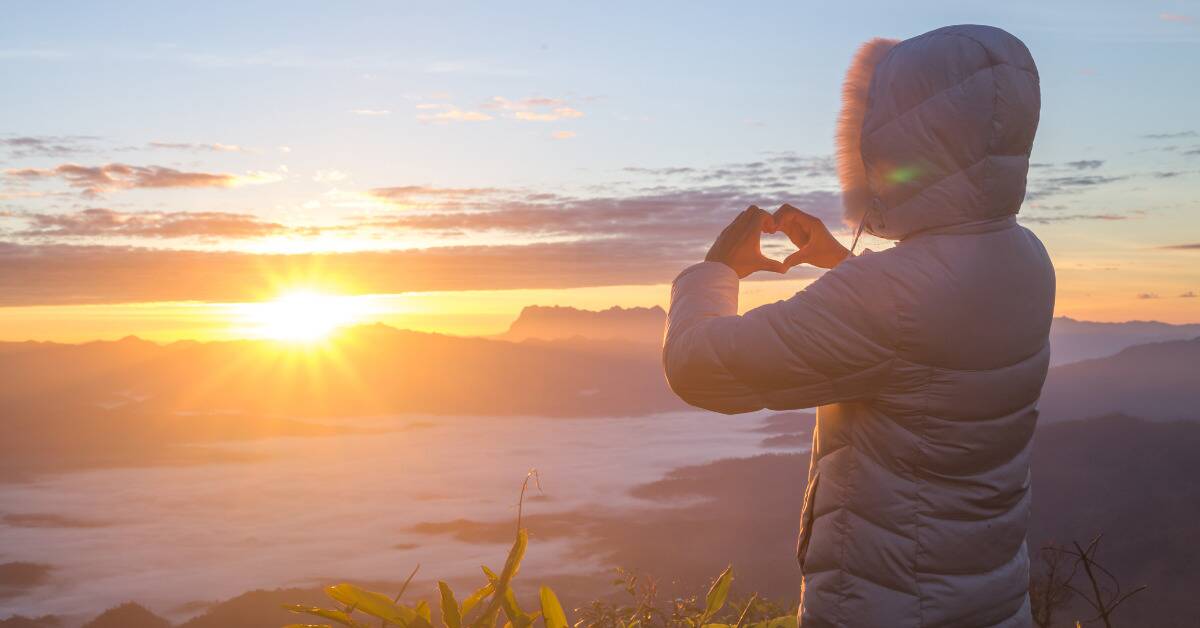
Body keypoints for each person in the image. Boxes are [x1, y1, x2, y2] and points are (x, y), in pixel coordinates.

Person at [662, 25, 1054, 628]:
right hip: (989, 599)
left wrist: (717, 271)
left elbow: (699, 368)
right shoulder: (1024, 257)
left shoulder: (892, 294)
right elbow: (923, 338)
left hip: (888, 606)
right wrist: (838, 261)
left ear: (895, 136)